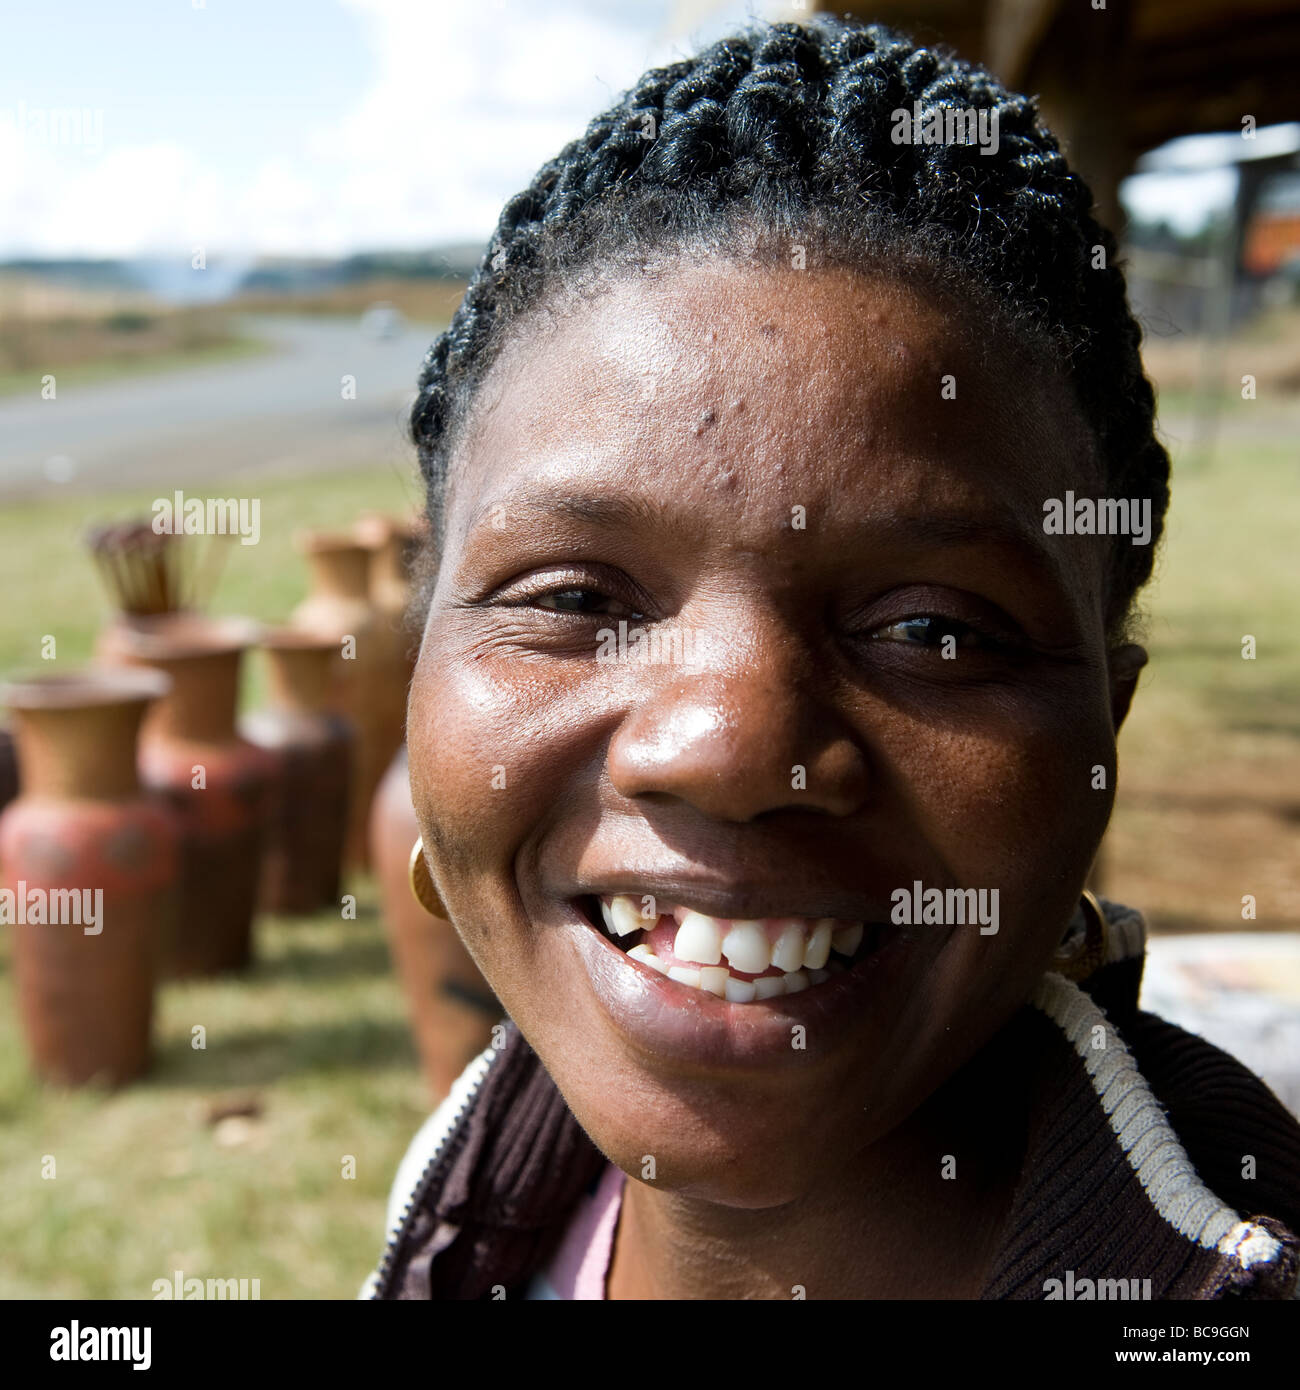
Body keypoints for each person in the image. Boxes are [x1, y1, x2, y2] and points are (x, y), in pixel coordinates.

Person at [364, 16, 1300, 1300]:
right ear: (425, 664)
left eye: (931, 630)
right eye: (577, 595)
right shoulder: (469, 1193)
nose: (733, 748)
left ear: (1102, 737)